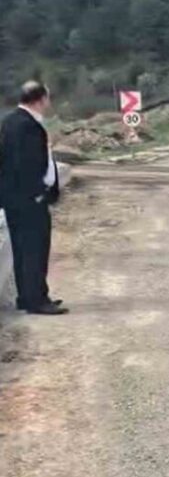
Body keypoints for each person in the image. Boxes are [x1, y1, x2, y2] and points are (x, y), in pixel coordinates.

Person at [0, 81, 66, 315]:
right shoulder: (27, 126)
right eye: (47, 97)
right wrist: (38, 193)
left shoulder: (10, 121)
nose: (49, 102)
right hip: (29, 199)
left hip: (15, 199)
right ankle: (37, 299)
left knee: (22, 249)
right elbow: (25, 164)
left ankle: (27, 297)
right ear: (41, 99)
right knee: (35, 249)